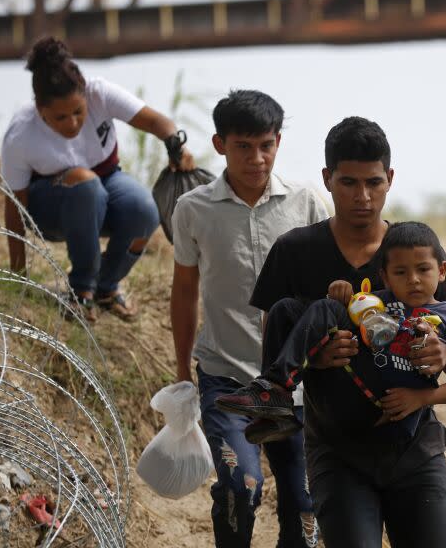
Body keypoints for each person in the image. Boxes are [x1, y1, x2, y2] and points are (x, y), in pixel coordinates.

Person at [228, 117, 446, 547]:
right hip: (336, 451)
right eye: (348, 182)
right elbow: (276, 341)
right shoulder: (294, 251)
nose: (362, 196)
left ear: (390, 180)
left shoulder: (416, 254)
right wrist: (315, 357)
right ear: (327, 179)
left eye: (373, 182)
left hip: (414, 449)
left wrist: (442, 356)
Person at [169, 89, 328, 548]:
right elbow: (184, 291)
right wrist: (182, 372)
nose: (256, 158)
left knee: (304, 507)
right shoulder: (193, 209)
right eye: (243, 146)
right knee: (242, 487)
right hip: (226, 378)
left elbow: (324, 293)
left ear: (278, 141)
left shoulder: (306, 205)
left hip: (295, 384)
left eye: (266, 145)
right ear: (220, 145)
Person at [217, 221, 446, 445]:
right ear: (386, 277)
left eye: (423, 269)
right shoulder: (382, 299)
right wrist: (340, 291)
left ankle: (276, 390)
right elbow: (350, 308)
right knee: (285, 308)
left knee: (324, 309)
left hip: (388, 403)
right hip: (359, 380)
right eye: (401, 272)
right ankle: (276, 402)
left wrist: (423, 397)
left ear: (442, 271)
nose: (413, 279)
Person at [1, 36, 194, 321]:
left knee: (143, 209)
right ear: (40, 111)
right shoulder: (21, 135)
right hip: (51, 209)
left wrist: (175, 144)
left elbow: (156, 122)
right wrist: (19, 276)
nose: (73, 124)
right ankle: (81, 291)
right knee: (85, 184)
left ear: (85, 95)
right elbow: (14, 207)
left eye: (78, 112)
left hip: (105, 185)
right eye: (60, 117)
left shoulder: (100, 93)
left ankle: (105, 287)